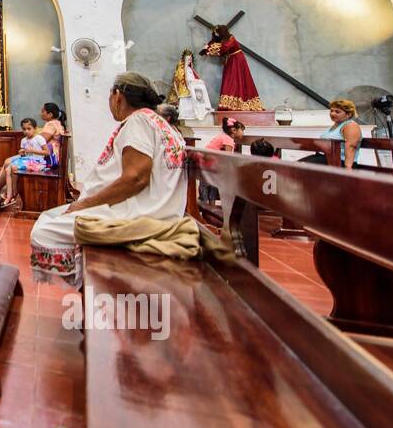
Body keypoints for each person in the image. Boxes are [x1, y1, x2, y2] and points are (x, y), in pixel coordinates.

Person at [30, 72, 187, 288]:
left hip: (139, 218)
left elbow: (136, 178)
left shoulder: (138, 122)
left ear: (118, 96)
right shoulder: (159, 123)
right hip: (152, 211)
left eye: (109, 96)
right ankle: (95, 290)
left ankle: (96, 289)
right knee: (49, 216)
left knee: (43, 232)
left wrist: (83, 204)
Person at [200, 25, 264, 111]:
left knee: (236, 80)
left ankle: (238, 104)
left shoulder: (231, 39)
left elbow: (222, 48)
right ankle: (231, 104)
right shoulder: (224, 39)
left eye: (217, 33)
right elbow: (216, 43)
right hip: (232, 60)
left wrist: (207, 49)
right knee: (231, 80)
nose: (216, 35)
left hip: (237, 60)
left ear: (221, 33)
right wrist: (208, 47)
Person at [300, 99, 363, 169]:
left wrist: (348, 168)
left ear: (348, 114)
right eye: (331, 111)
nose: (332, 114)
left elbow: (351, 147)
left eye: (337, 112)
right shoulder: (334, 126)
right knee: (293, 166)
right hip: (325, 158)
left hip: (339, 162)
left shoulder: (351, 126)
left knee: (300, 168)